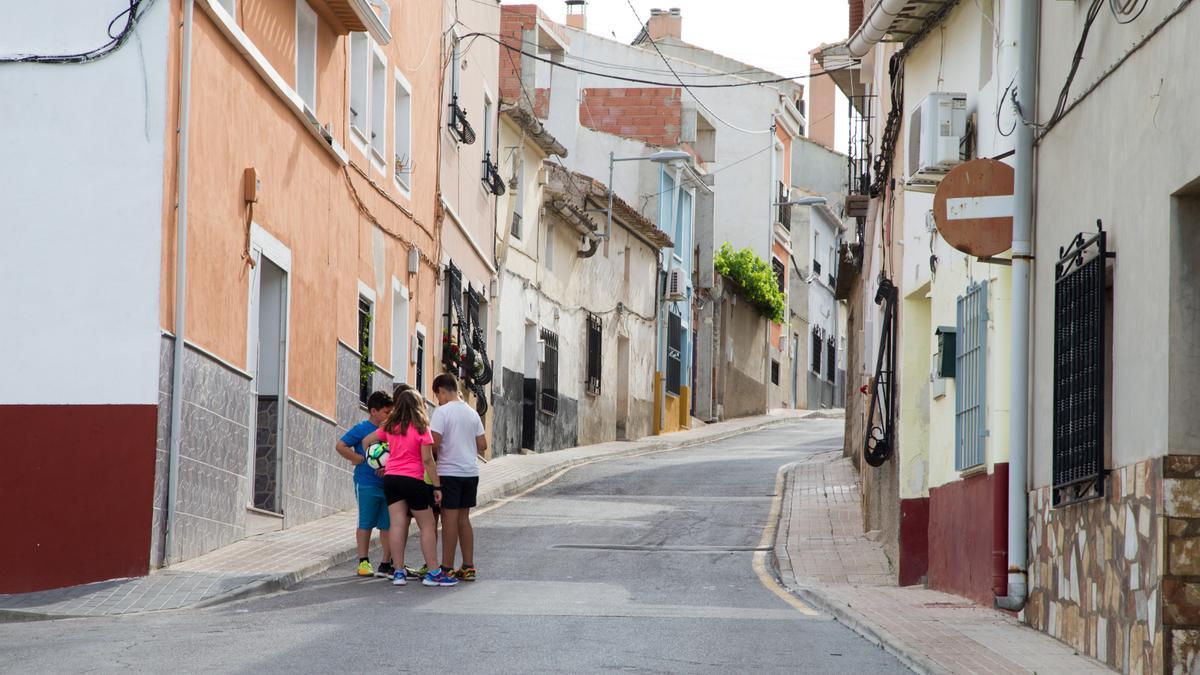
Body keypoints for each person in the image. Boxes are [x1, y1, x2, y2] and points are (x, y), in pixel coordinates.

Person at [363, 389, 458, 587]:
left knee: (396, 524)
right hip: (414, 480)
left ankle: (398, 572)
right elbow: (427, 460)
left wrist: (379, 464)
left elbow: (366, 442)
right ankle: (433, 572)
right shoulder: (422, 427)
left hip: (391, 479)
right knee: (427, 525)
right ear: (418, 406)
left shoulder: (389, 426)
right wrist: (437, 485)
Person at [430, 372, 486, 582]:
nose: (438, 399)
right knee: (464, 518)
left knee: (449, 519)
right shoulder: (472, 413)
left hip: (449, 472)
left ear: (442, 391)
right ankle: (469, 566)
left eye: (438, 395)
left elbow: (433, 444)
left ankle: (447, 567)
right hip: (470, 472)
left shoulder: (442, 412)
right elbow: (482, 445)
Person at [334, 390, 395, 579]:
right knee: (366, 522)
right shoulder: (361, 429)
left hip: (388, 483)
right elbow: (341, 446)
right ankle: (363, 561)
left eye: (391, 412)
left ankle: (387, 561)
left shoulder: (391, 429)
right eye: (386, 412)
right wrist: (360, 459)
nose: (389, 415)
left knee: (388, 525)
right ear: (374, 411)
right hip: (367, 483)